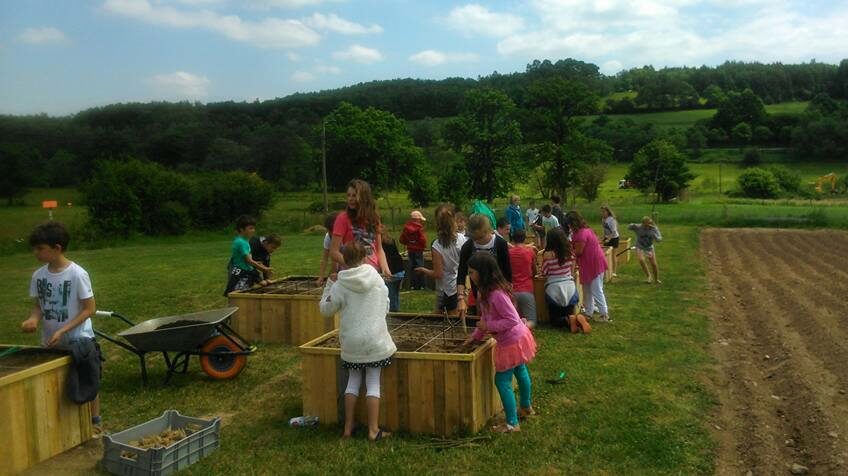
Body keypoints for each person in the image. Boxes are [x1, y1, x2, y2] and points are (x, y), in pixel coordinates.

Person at [21, 222, 102, 428]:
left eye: (40, 248)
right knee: (59, 382)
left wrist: (63, 330)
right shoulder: (39, 276)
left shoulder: (77, 274)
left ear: (57, 248)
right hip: (51, 340)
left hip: (79, 340)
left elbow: (89, 309)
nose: (35, 252)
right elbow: (39, 306)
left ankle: (94, 421)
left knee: (87, 379)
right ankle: (65, 422)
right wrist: (33, 319)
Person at [319, 242, 396, 441]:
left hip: (352, 342)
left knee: (352, 382)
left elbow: (325, 310)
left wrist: (329, 284)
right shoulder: (376, 279)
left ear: (344, 259)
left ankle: (347, 428)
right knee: (372, 383)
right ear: (364, 257)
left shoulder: (339, 284)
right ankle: (373, 430)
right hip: (375, 340)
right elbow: (386, 305)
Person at [463, 252, 536, 433]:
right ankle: (526, 407)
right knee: (520, 370)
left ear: (483, 272)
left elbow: (511, 319)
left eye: (472, 272)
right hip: (517, 338)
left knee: (502, 380)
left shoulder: (496, 294)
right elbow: (486, 317)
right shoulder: (484, 293)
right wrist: (476, 336)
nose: (469, 276)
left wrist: (487, 326)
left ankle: (512, 424)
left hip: (512, 341)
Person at [329, 179, 391, 279]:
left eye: (354, 196)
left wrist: (385, 268)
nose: (350, 199)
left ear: (363, 197)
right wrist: (353, 265)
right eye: (348, 195)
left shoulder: (374, 218)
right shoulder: (342, 219)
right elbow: (334, 252)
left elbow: (379, 249)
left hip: (372, 272)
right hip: (350, 273)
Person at [456, 214, 513, 318]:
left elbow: (507, 271)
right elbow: (461, 273)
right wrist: (460, 298)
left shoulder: (500, 244)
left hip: (499, 291)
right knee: (483, 318)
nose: (477, 241)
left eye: (480, 237)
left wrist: (508, 292)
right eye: (474, 238)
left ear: (489, 230)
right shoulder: (467, 247)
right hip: (478, 292)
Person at [415, 204, 467, 314]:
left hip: (446, 290)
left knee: (441, 322)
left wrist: (424, 270)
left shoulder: (437, 245)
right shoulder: (463, 240)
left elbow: (438, 274)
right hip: (461, 288)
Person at [540, 228, 590, 333]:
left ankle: (568, 320)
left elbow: (544, 272)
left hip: (553, 289)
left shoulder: (547, 255)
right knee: (569, 312)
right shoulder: (570, 253)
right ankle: (575, 318)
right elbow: (572, 272)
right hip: (570, 288)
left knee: (554, 320)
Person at [566, 211, 610, 322]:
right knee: (586, 289)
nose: (568, 226)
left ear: (573, 223)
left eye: (569, 223)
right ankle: (589, 312)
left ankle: (604, 314)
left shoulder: (581, 234)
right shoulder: (583, 231)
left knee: (596, 289)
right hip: (588, 263)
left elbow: (579, 251)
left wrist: (568, 251)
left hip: (593, 263)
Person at [225, 215, 272, 295]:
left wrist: (261, 266)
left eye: (253, 228)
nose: (253, 230)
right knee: (238, 294)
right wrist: (263, 269)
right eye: (250, 228)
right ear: (241, 229)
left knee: (261, 285)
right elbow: (249, 261)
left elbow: (249, 260)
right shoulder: (241, 242)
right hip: (241, 272)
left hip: (248, 270)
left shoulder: (245, 241)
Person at [508, 230, 538, 328]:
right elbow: (534, 270)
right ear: (525, 239)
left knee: (512, 320)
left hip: (511, 291)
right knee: (532, 321)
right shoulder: (529, 252)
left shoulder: (508, 253)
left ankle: (517, 328)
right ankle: (522, 329)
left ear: (512, 239)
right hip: (527, 290)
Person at [628, 217, 663, 284]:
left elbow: (659, 239)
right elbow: (629, 227)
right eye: (645, 225)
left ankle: (656, 279)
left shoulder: (654, 229)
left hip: (649, 248)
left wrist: (655, 236)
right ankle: (649, 276)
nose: (647, 227)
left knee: (653, 264)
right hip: (640, 246)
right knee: (641, 259)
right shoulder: (638, 227)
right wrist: (632, 225)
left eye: (648, 225)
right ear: (642, 224)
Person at [399, 210, 428, 290]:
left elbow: (401, 240)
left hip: (410, 250)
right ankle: (422, 285)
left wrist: (407, 242)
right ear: (417, 219)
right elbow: (423, 239)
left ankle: (412, 285)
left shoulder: (406, 228)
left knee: (411, 267)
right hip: (419, 250)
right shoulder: (419, 228)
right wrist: (423, 245)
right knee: (420, 267)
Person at [381, 229, 406, 312]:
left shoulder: (381, 244)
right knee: (395, 294)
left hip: (391, 272)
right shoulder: (391, 241)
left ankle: (394, 314)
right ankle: (396, 311)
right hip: (400, 270)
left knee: (390, 296)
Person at [317, 213, 338, 286]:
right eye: (329, 230)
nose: (330, 233)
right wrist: (321, 276)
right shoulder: (328, 237)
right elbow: (325, 259)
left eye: (332, 230)